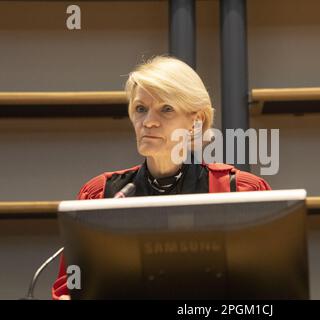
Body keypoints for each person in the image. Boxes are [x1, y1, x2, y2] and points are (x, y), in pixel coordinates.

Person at [52, 56, 271, 300]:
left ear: (195, 121)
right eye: (140, 109)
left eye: (166, 109)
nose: (148, 122)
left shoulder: (239, 191)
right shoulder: (101, 195)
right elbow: (69, 288)